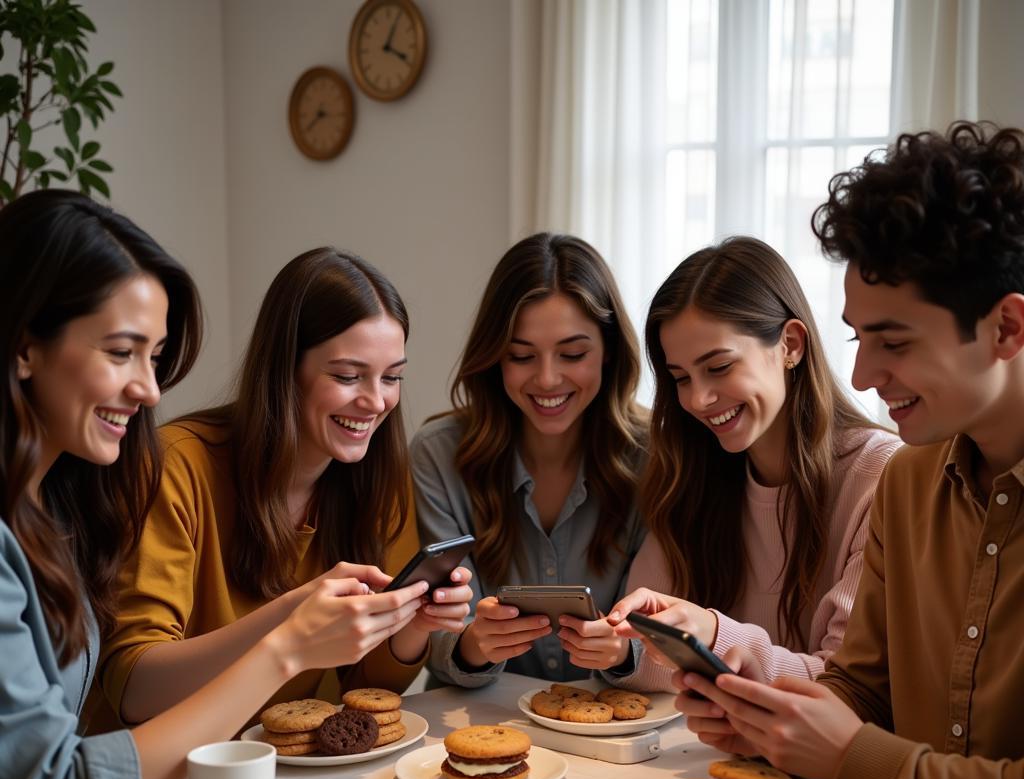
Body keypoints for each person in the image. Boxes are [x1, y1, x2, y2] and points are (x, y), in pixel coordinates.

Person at [0, 192, 430, 779]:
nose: (151, 390)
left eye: (156, 358)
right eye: (124, 353)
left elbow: (375, 677)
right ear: (25, 346)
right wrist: (285, 648)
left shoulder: (49, 509)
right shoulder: (170, 472)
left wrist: (400, 630)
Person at [674, 123, 1024, 779]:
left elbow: (869, 746)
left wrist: (853, 758)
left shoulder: (881, 469)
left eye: (894, 343)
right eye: (857, 338)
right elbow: (862, 692)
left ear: (1008, 327)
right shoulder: (910, 481)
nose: (862, 377)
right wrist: (771, 722)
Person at [98, 247, 472, 726]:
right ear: (284, 369)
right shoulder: (175, 466)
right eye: (346, 376)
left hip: (283, 774)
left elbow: (366, 691)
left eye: (392, 377)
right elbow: (136, 690)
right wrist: (290, 620)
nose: (376, 401)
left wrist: (411, 625)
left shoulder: (379, 478)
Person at [604, 237, 899, 688]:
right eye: (680, 378)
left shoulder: (880, 474)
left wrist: (714, 636)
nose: (699, 399)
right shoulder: (694, 473)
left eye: (719, 367)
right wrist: (621, 649)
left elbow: (849, 686)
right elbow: (649, 660)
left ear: (791, 346)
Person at [410, 233, 647, 687]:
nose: (547, 379)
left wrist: (622, 651)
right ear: (495, 356)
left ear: (610, 351)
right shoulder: (438, 455)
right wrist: (473, 644)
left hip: (612, 732)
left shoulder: (655, 458)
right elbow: (434, 636)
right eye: (521, 356)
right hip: (472, 726)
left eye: (573, 354)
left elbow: (657, 631)